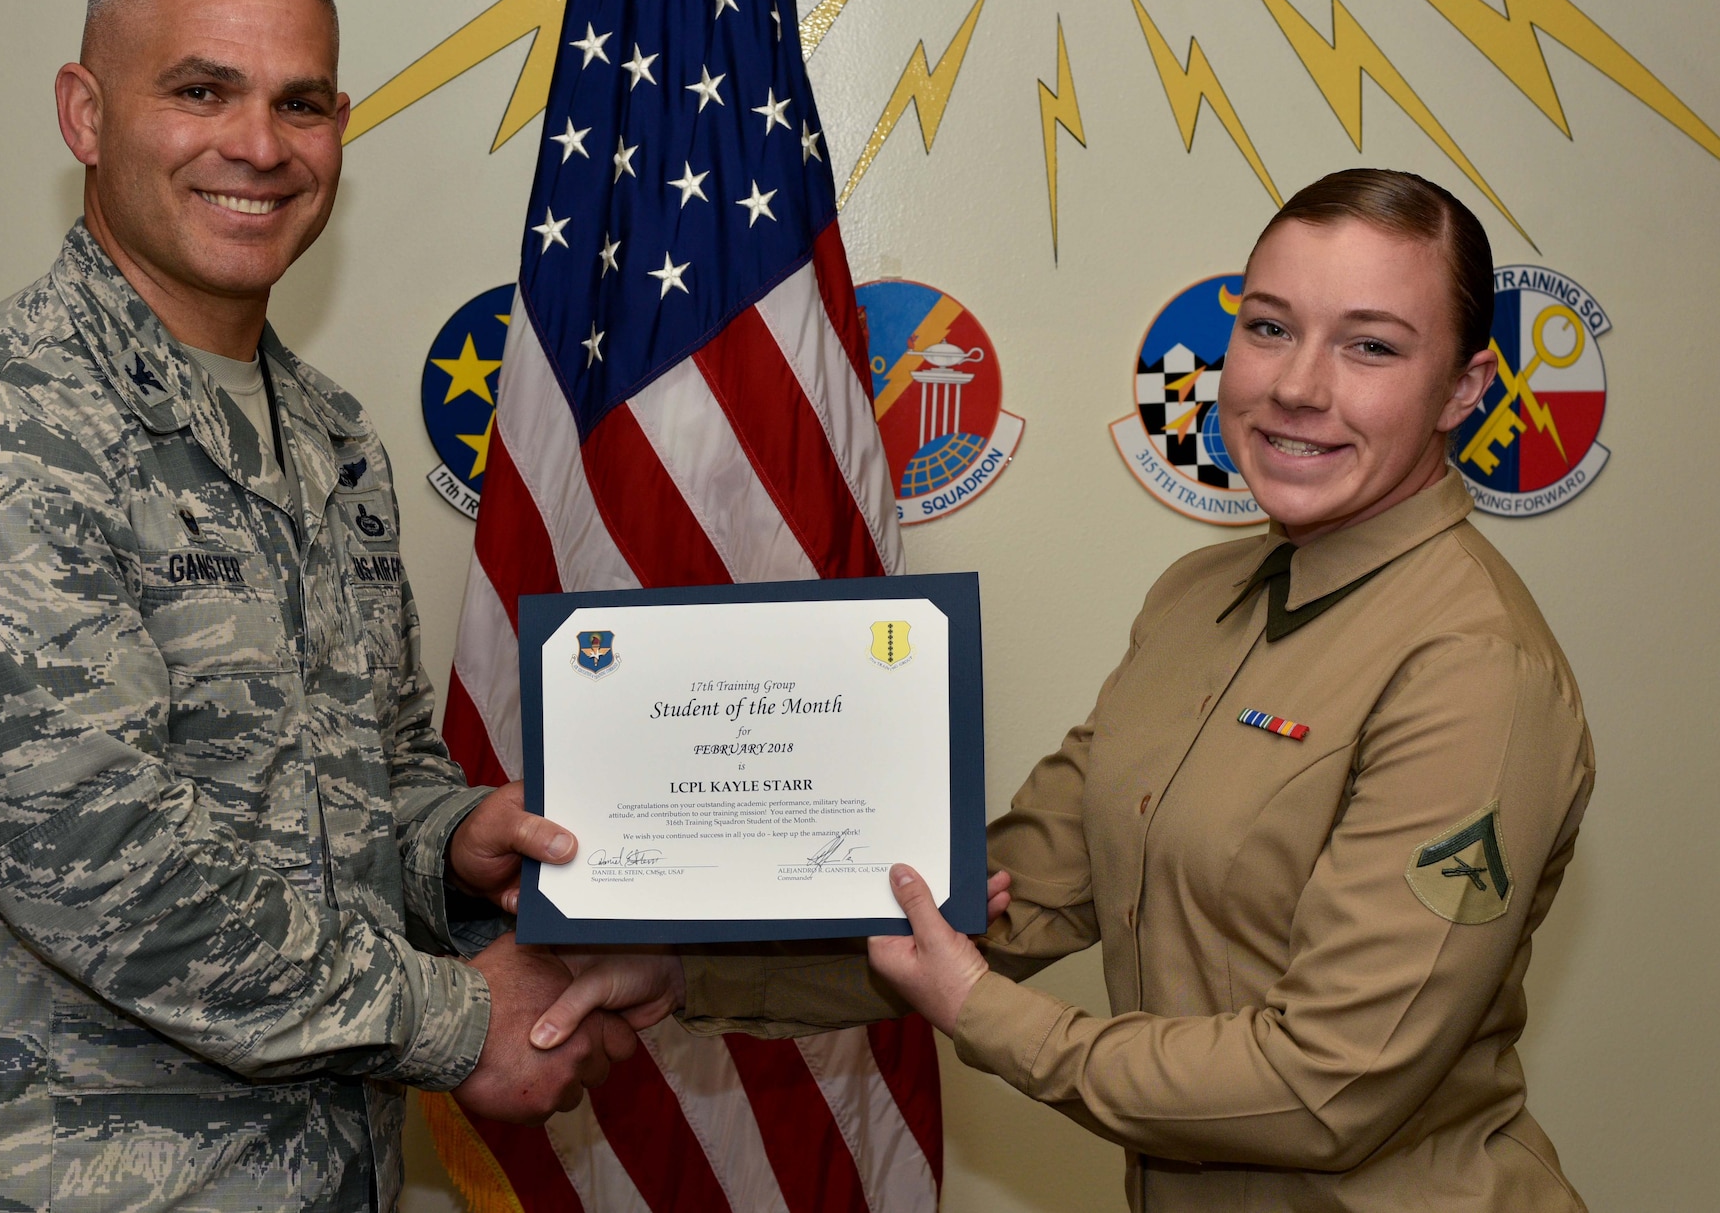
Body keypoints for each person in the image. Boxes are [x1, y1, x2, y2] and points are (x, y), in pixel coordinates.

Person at [535, 170, 1596, 1211]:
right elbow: (1017, 891)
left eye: (1368, 345)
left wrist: (988, 1018)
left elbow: (1326, 1084)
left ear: (1461, 386)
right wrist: (686, 968)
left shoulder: (1469, 667)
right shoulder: (1197, 598)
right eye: (1269, 327)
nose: (1297, 386)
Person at [0, 0, 633, 1212]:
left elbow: (365, 768)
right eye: (201, 90)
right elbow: (103, 861)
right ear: (85, 113)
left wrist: (449, 840)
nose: (259, 145)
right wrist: (454, 1019)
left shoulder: (328, 437)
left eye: (300, 103)